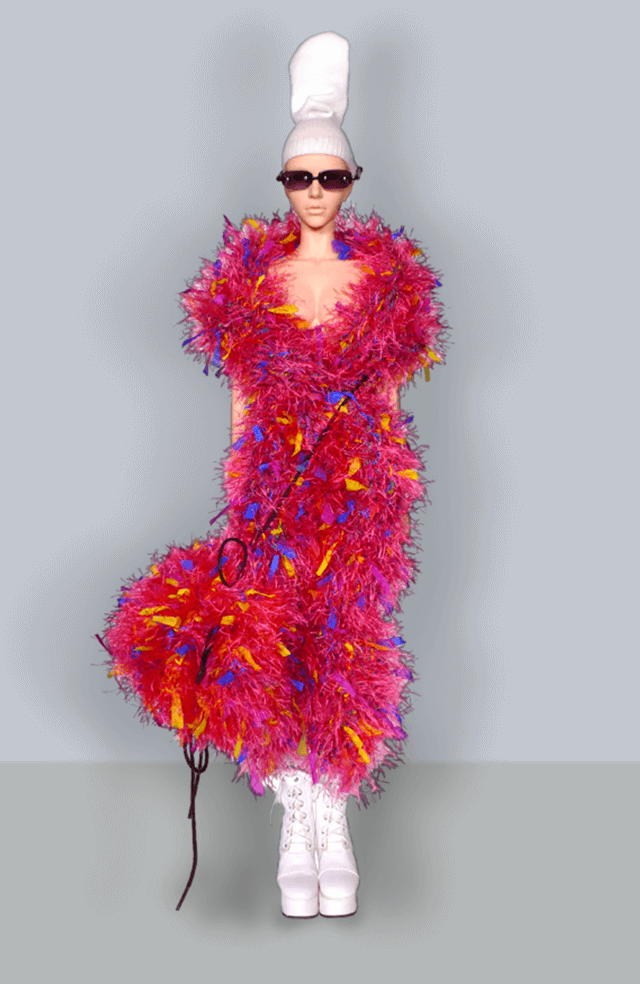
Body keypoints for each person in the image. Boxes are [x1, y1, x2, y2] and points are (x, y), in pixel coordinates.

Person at [100, 31, 448, 920]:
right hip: (273, 497)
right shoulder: (255, 284)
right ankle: (298, 819)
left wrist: (389, 492)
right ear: (284, 184)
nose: (316, 193)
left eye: (332, 176)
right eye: (301, 177)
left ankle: (336, 824)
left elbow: (393, 406)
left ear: (352, 181)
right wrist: (243, 505)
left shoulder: (383, 285)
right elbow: (244, 404)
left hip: (360, 500)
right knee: (273, 651)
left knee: (349, 651)